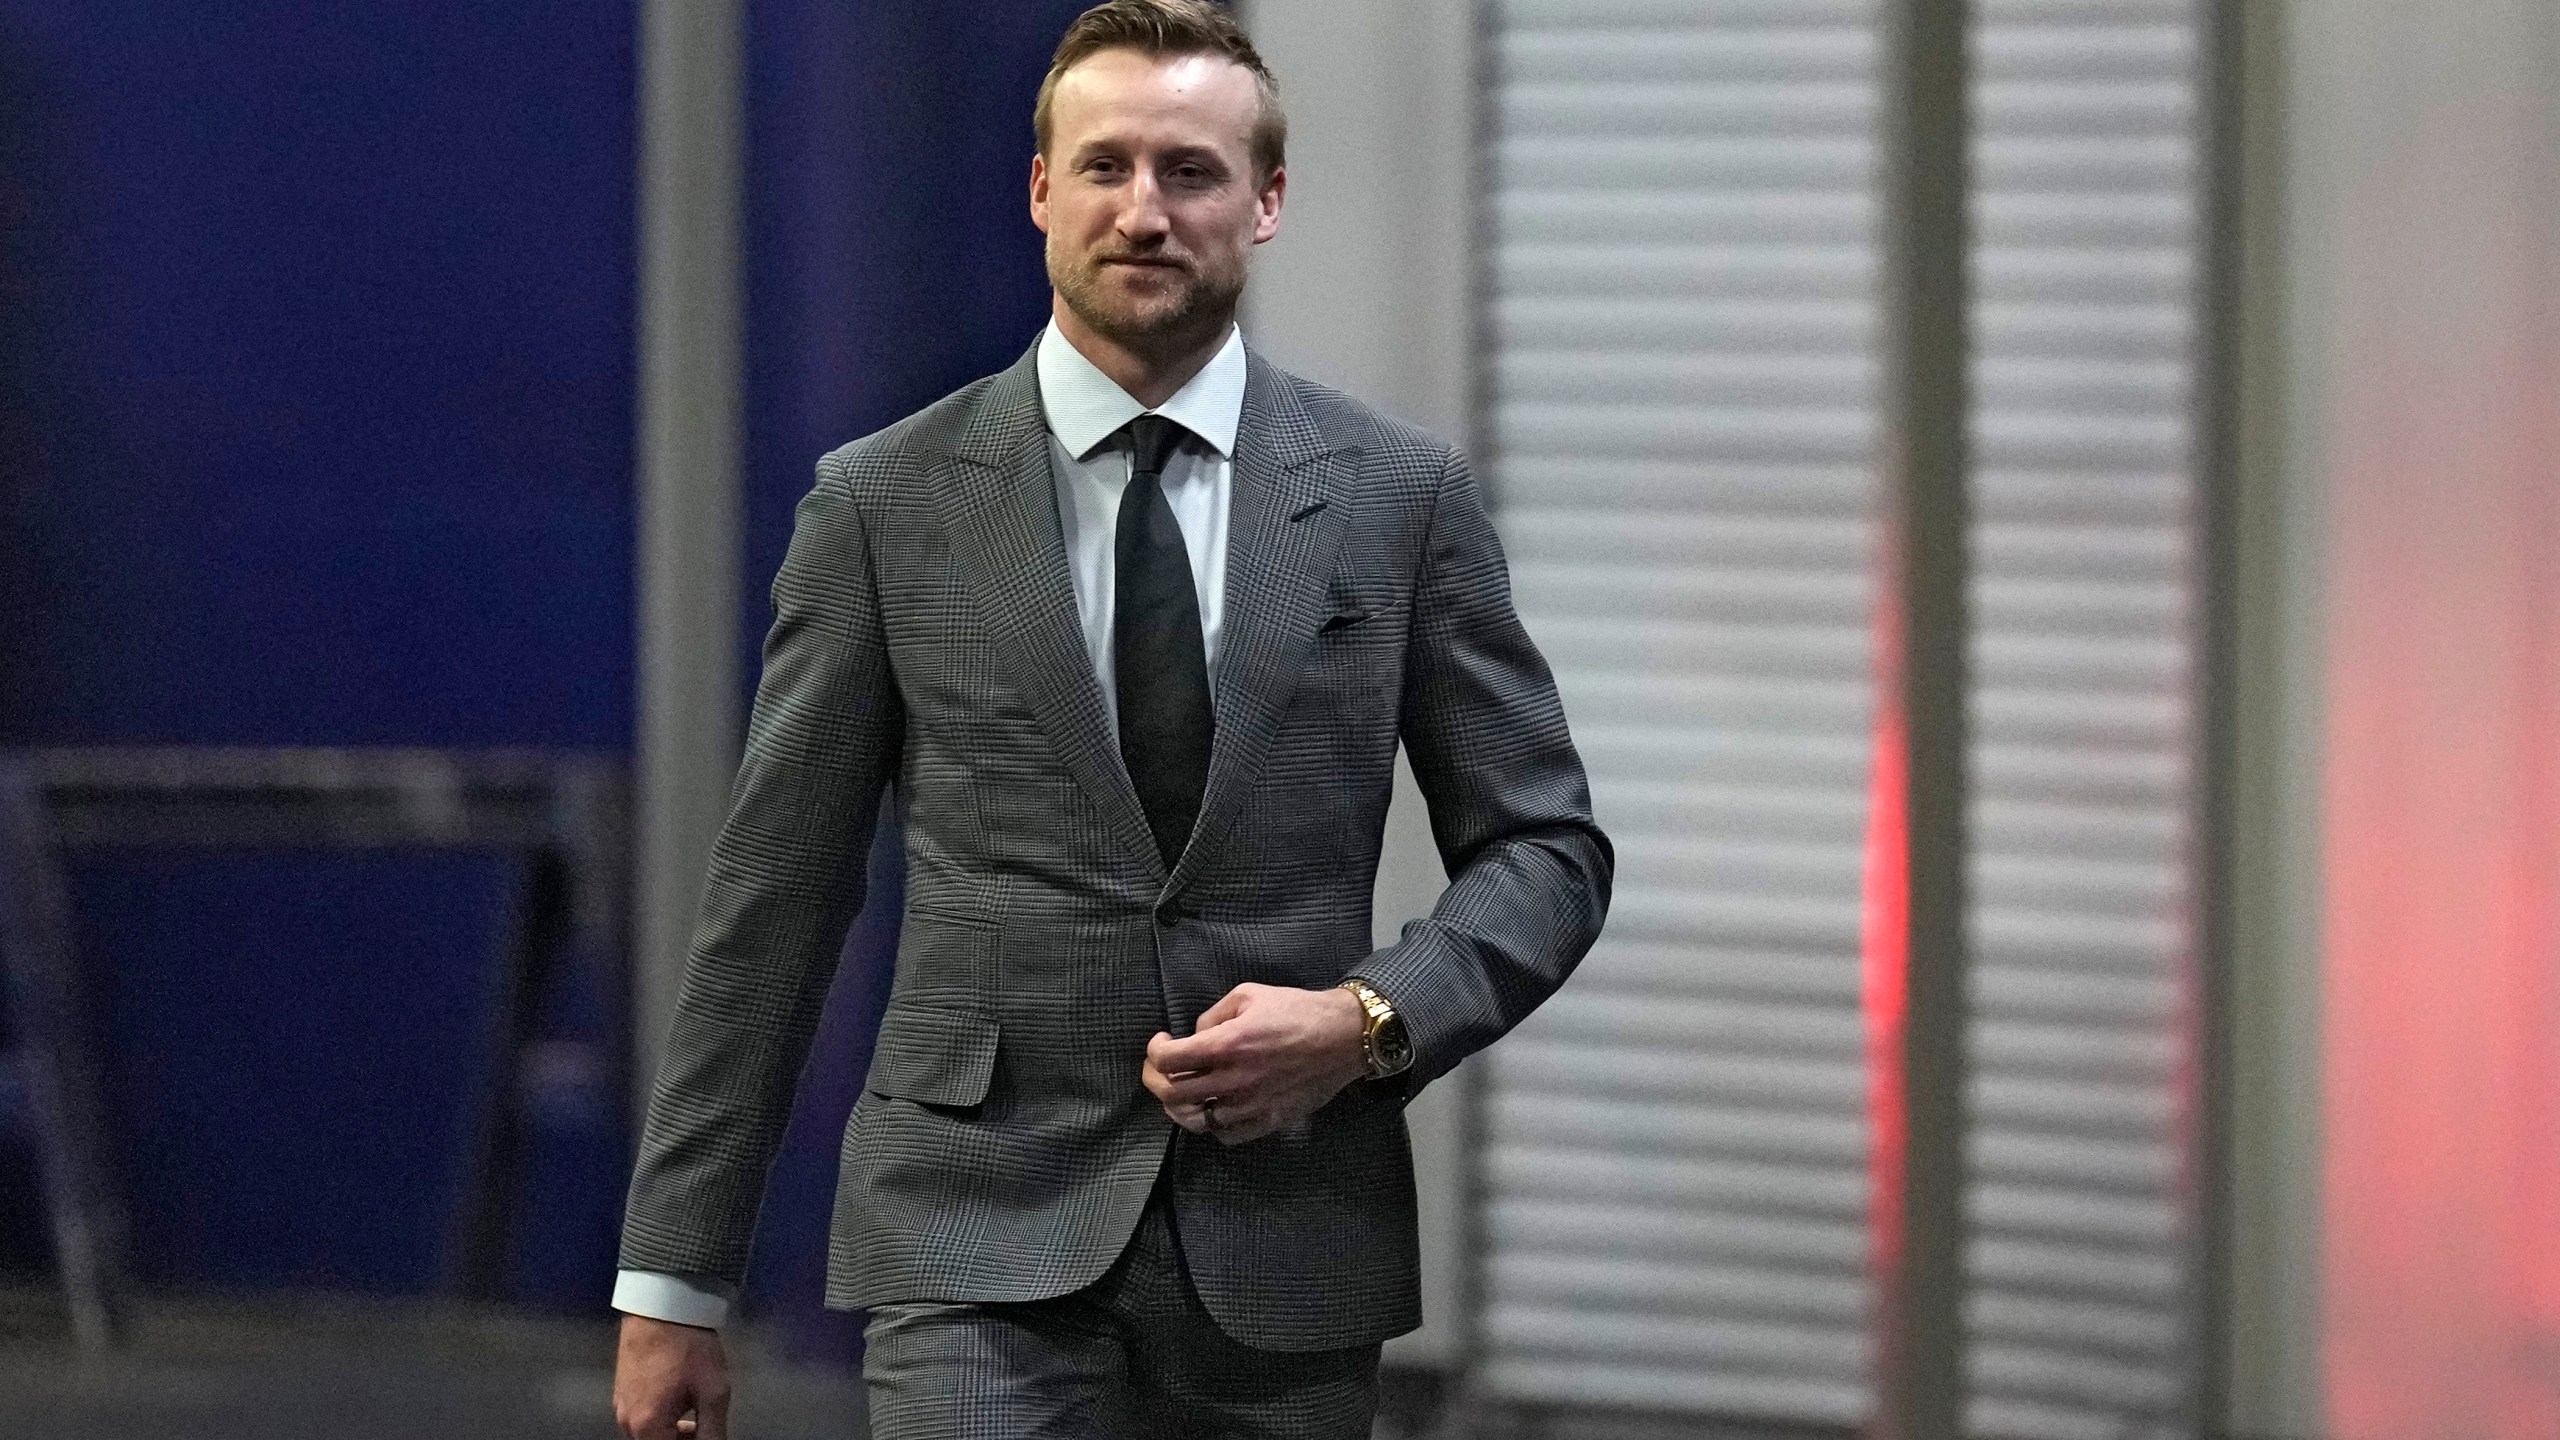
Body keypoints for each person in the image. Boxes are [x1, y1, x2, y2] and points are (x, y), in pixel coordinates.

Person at [611, 3, 1610, 1436]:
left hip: (1286, 1245)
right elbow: (775, 902)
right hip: (974, 1239)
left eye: (1192, 172)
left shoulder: (1398, 503)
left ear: (1265, 202)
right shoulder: (886, 505)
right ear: (1039, 191)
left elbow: (1548, 851)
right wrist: (674, 1282)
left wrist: (1365, 1019)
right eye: (1105, 167)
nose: (1144, 210)